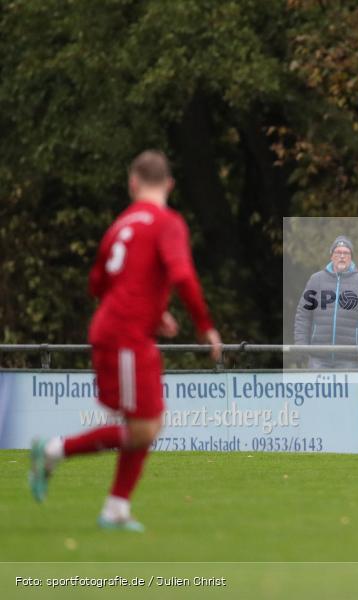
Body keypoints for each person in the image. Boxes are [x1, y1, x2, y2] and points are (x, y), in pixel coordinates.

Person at [29, 150, 222, 530]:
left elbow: (97, 284)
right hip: (125, 335)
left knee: (148, 423)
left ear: (133, 183)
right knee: (143, 427)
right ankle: (52, 452)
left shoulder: (120, 225)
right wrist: (204, 325)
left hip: (121, 330)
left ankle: (116, 508)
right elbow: (182, 275)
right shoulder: (167, 222)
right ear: (170, 184)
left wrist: (152, 309)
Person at [293, 236, 358, 368]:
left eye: (346, 253)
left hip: (351, 359)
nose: (342, 256)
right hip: (318, 358)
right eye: (338, 252)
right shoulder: (316, 280)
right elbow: (303, 315)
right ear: (331, 256)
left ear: (351, 257)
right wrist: (301, 346)